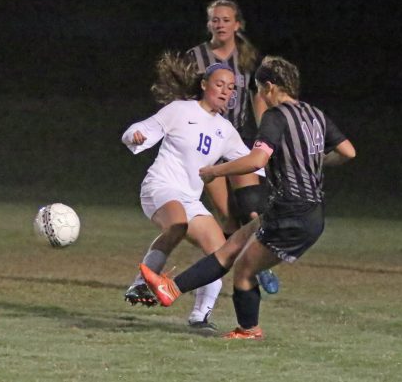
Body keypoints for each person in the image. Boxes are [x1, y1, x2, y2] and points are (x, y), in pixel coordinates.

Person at [140, 56, 356, 339]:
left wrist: (216, 171)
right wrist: (310, 161)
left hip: (290, 211)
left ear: (268, 88)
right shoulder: (315, 114)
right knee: (230, 248)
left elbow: (256, 160)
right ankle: (171, 289)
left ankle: (249, 330)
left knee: (243, 271)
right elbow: (348, 151)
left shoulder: (276, 116)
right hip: (306, 211)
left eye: (258, 91)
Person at [122, 52, 263, 331]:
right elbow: (142, 129)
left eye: (231, 87)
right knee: (177, 224)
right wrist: (134, 135)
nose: (225, 91)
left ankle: (200, 318)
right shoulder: (180, 110)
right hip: (160, 187)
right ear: (204, 84)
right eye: (220, 84)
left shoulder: (225, 130)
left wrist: (286, 168)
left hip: (189, 198)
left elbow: (252, 163)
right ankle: (141, 284)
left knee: (220, 253)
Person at [186, 0, 279, 294]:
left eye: (226, 20)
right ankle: (237, 262)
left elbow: (259, 96)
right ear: (208, 24)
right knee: (228, 215)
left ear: (237, 24)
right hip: (208, 143)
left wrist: (268, 133)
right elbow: (183, 99)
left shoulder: (249, 58)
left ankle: (255, 264)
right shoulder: (195, 58)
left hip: (238, 140)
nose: (220, 25)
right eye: (215, 19)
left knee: (252, 209)